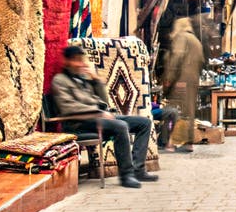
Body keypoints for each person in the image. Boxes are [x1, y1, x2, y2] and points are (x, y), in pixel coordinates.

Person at [51, 45, 158, 188]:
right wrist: (98, 113)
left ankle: (138, 169)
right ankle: (126, 175)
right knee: (121, 126)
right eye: (76, 60)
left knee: (144, 123)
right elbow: (68, 108)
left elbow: (104, 102)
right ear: (67, 61)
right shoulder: (60, 80)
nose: (80, 64)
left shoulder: (83, 80)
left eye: (81, 60)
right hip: (79, 122)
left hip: (98, 118)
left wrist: (95, 80)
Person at [160, 17, 204, 153]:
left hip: (181, 80)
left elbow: (176, 58)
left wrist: (168, 78)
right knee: (189, 111)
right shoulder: (196, 41)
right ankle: (189, 142)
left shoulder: (181, 37)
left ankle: (171, 142)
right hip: (192, 80)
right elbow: (201, 62)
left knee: (175, 110)